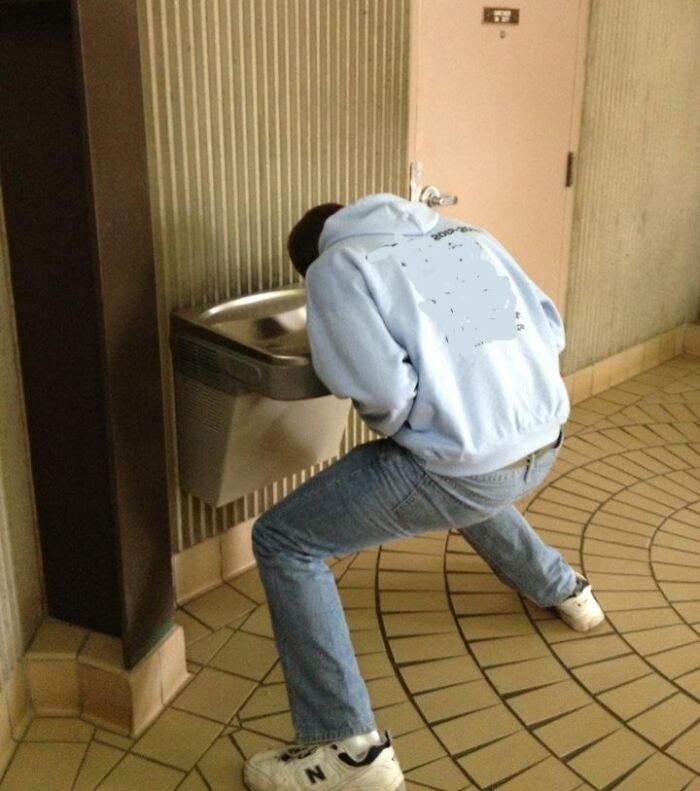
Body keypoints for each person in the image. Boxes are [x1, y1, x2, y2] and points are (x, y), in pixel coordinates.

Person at [243, 194, 605, 791]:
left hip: (470, 469)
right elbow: (548, 326)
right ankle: (566, 591)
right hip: (546, 440)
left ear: (308, 263)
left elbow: (380, 388)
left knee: (283, 539)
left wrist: (411, 417)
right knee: (463, 474)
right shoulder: (464, 235)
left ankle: (347, 750)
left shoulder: (339, 267)